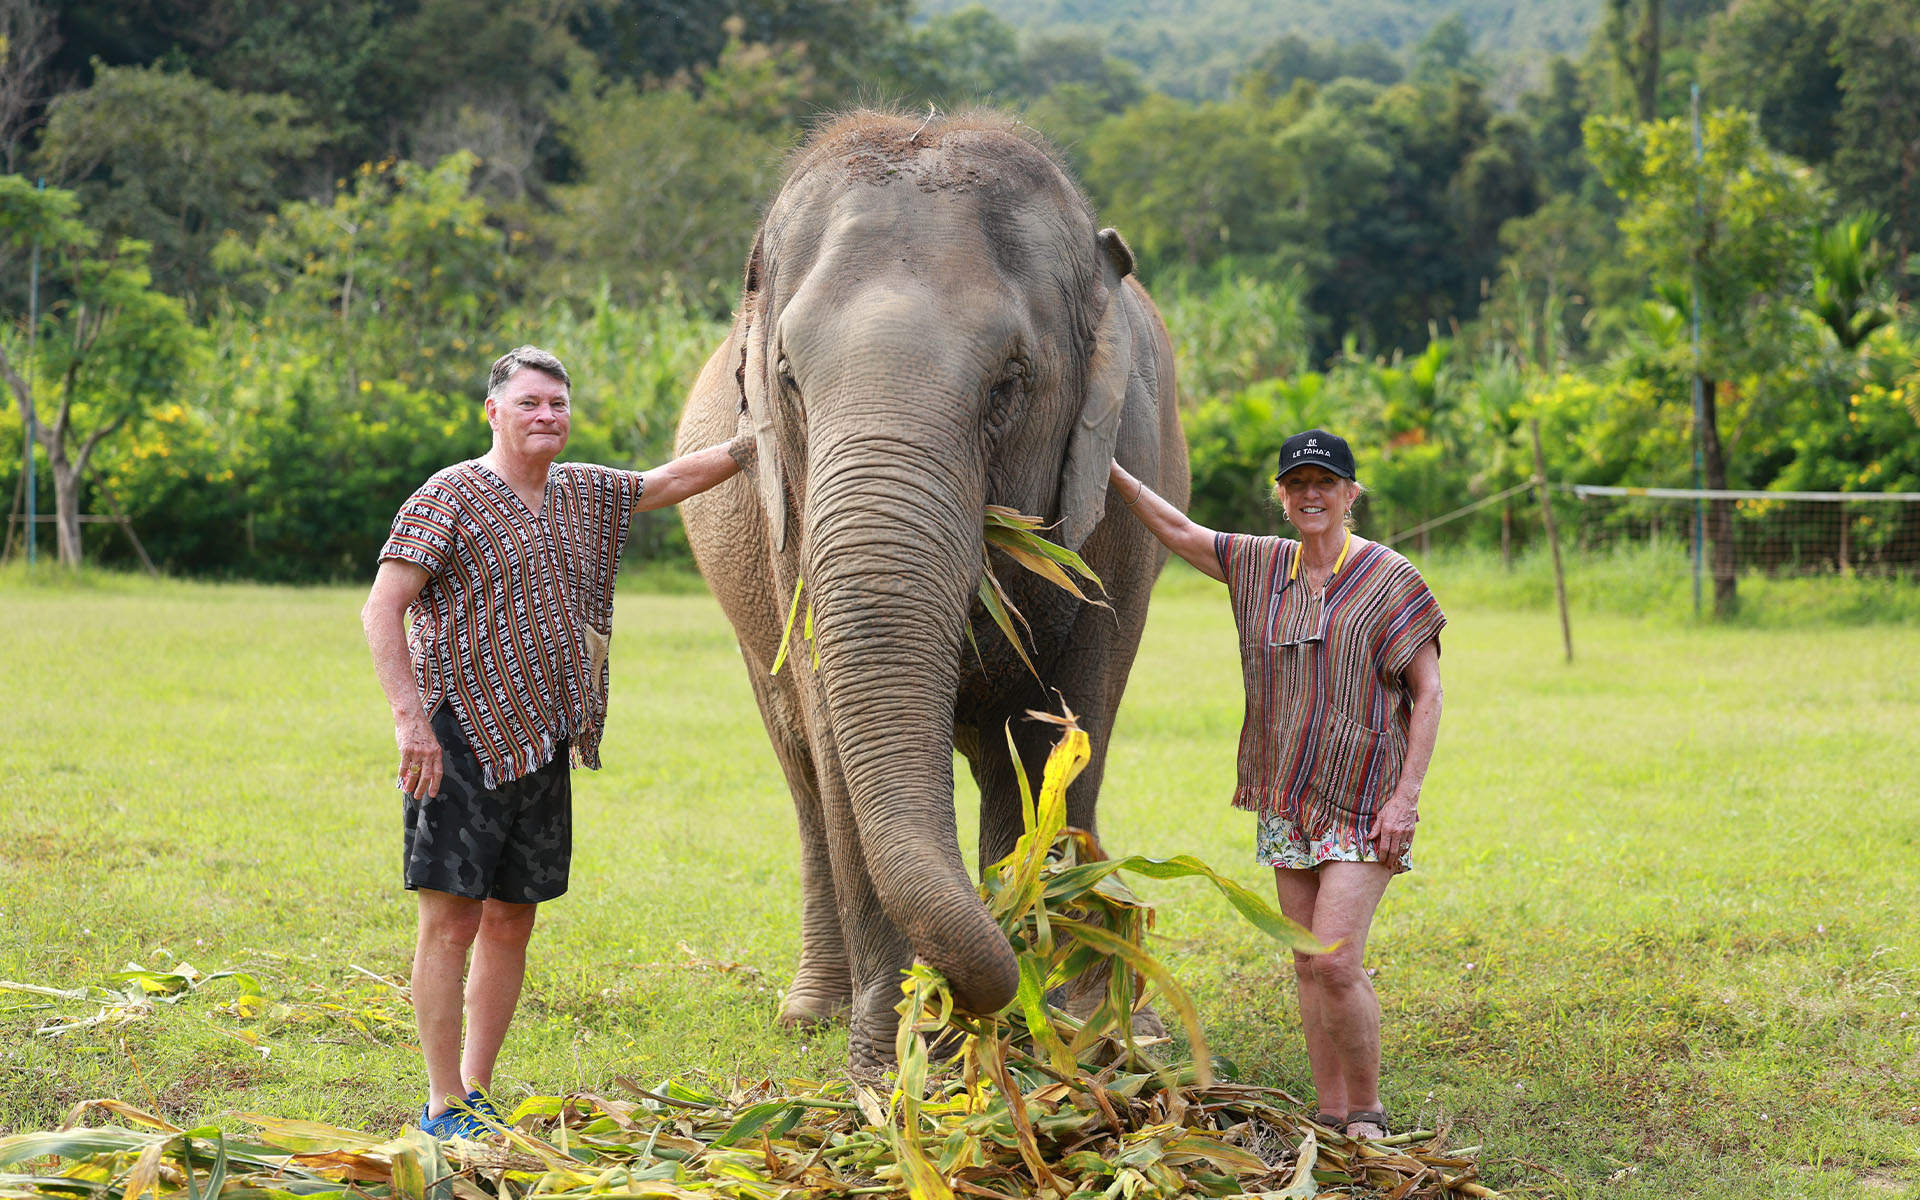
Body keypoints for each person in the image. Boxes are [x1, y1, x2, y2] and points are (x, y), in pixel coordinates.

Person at [361, 345, 751, 1137]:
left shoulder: (582, 492)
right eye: (532, 403)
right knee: (450, 922)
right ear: (494, 411)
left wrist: (761, 440)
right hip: (458, 736)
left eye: (558, 405)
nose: (547, 417)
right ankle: (440, 1104)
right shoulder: (450, 497)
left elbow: (669, 480)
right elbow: (381, 608)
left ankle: (476, 1089)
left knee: (512, 917)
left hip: (544, 740)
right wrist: (409, 721)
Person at [1110, 429, 1444, 1141]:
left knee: (1336, 960)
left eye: (1326, 482)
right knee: (1305, 960)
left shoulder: (1391, 578)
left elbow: (1430, 692)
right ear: (1283, 497)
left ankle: (1367, 1110)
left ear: (1352, 494)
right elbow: (1176, 527)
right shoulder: (1260, 565)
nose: (1312, 494)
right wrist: (1107, 466)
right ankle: (1328, 1110)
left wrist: (1406, 799)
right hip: (1287, 797)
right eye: (1298, 484)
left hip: (1365, 799)